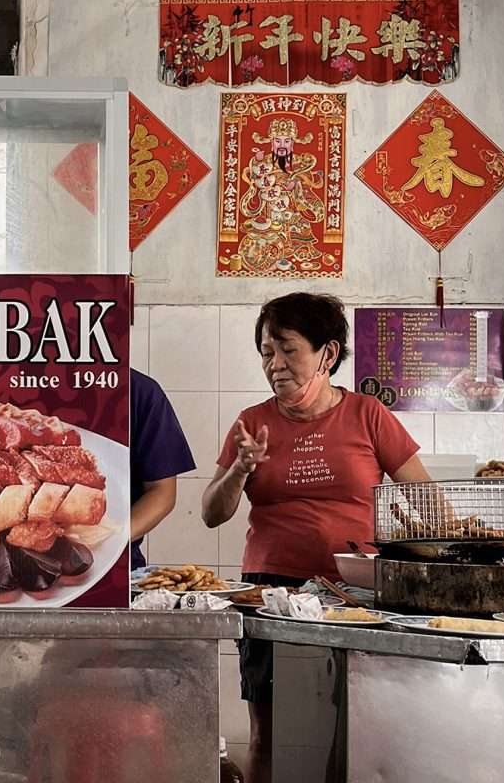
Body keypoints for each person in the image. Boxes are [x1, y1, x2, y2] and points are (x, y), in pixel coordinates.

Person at [201, 292, 430, 783]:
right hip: (270, 588)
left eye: (288, 349)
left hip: (353, 590)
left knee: (350, 727)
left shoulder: (368, 414)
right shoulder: (252, 422)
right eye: (266, 352)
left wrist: (416, 540)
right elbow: (211, 514)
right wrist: (241, 467)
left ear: (326, 353)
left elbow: (428, 500)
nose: (275, 364)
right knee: (264, 726)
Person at [130, 367, 196, 570]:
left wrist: (109, 542)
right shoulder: (29, 383)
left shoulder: (138, 389)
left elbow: (162, 491)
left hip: (119, 570)